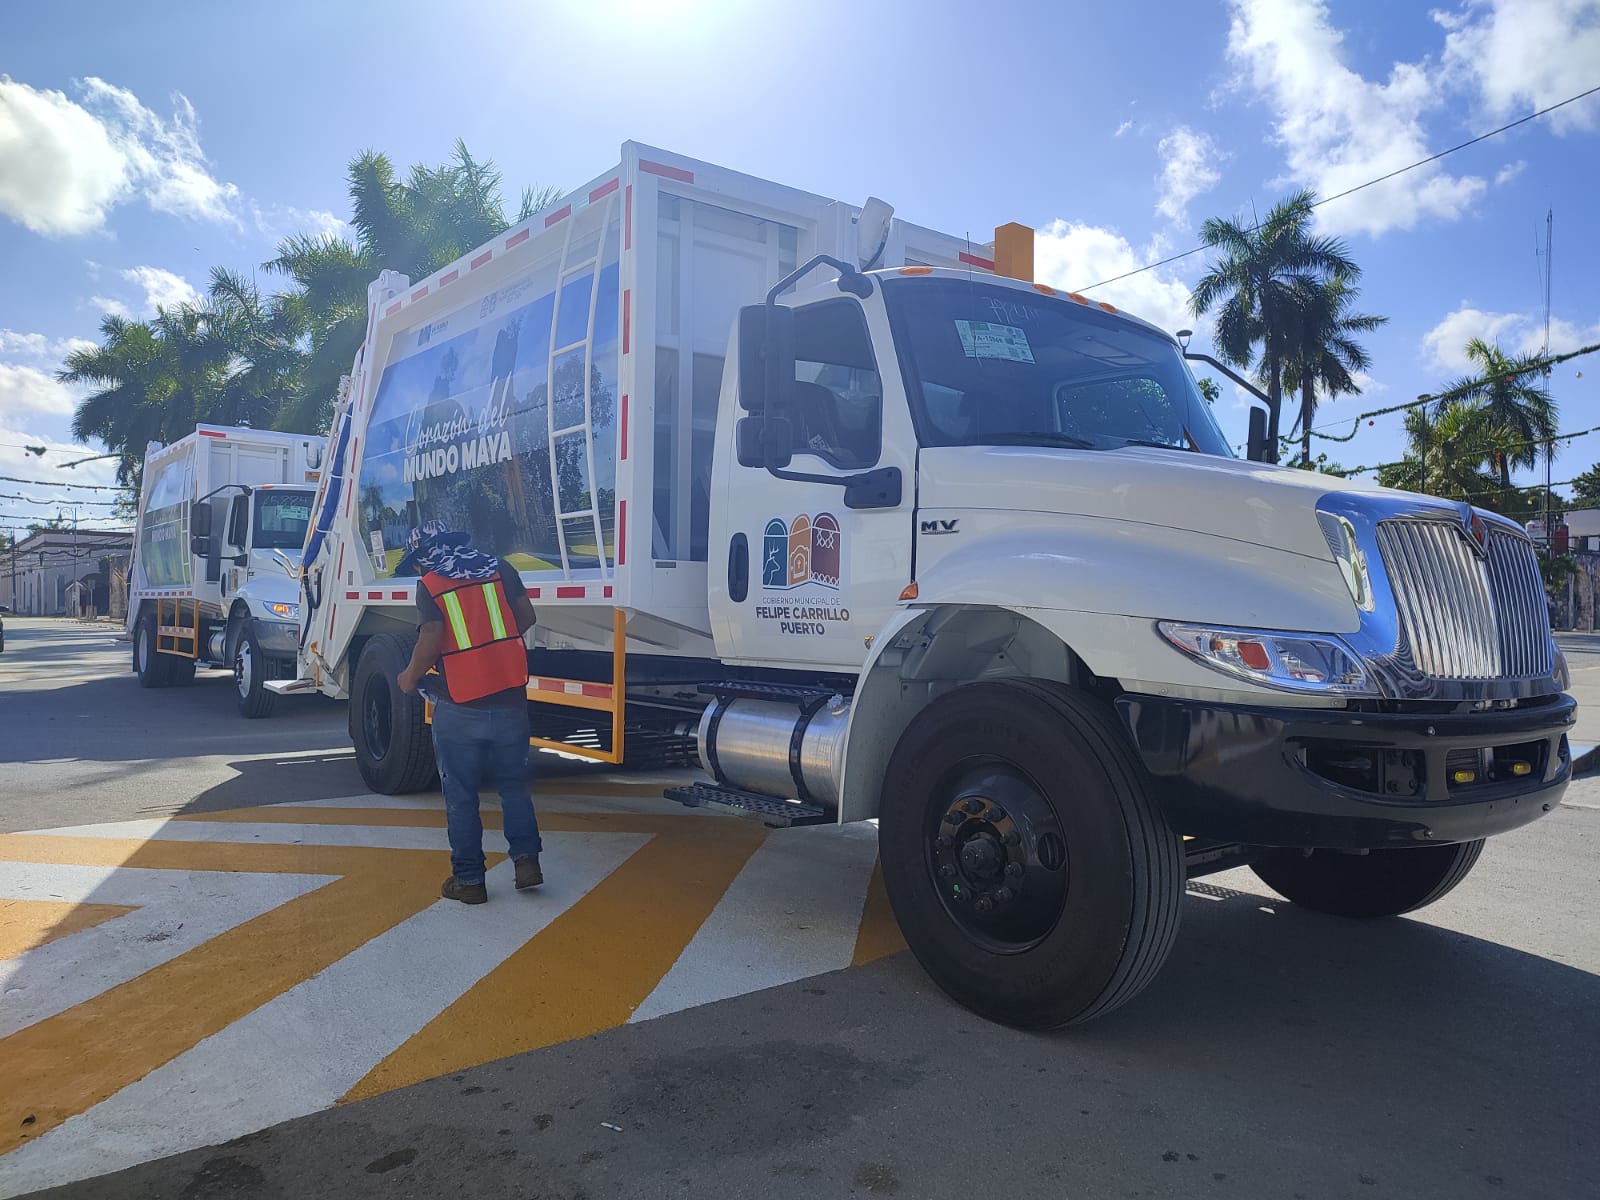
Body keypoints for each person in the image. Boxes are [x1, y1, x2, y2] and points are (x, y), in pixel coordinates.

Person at [395, 520, 542, 904]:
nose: (418, 569)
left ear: (424, 554)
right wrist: (495, 646)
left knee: (461, 795)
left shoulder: (430, 584)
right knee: (514, 787)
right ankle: (527, 863)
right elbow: (526, 617)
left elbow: (431, 637)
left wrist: (409, 677)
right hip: (510, 697)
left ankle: (470, 881)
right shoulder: (498, 568)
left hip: (460, 705)